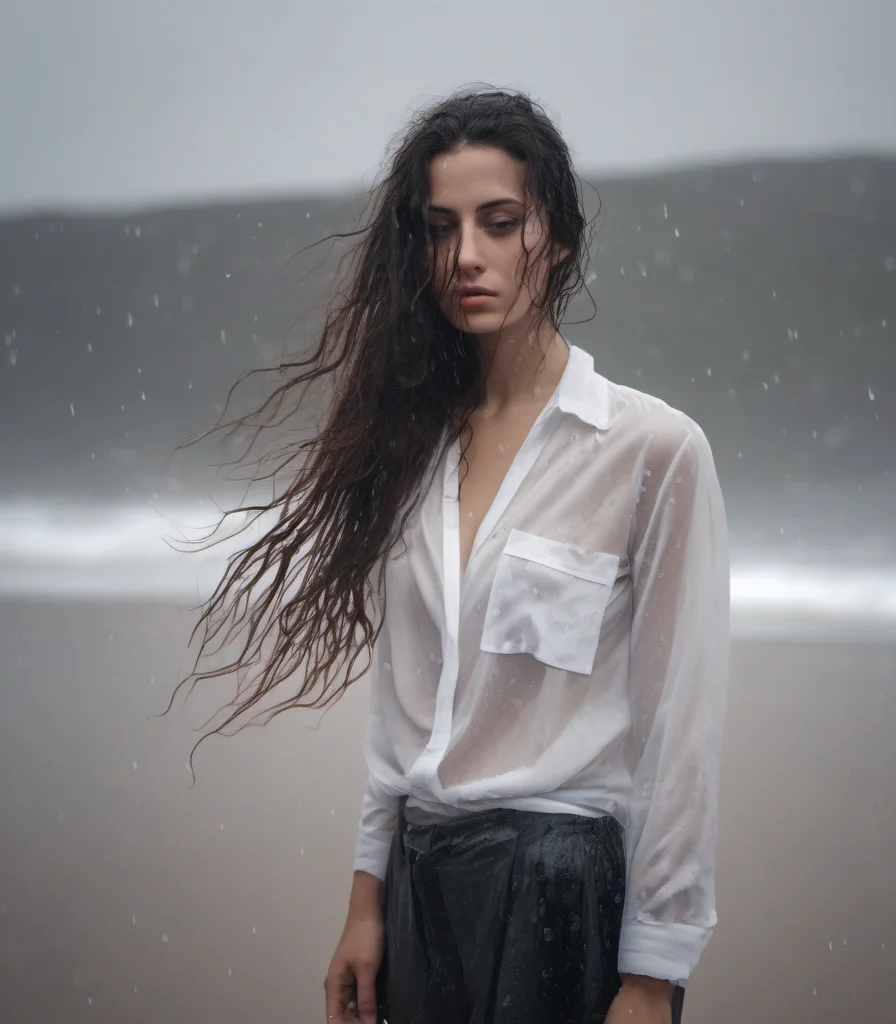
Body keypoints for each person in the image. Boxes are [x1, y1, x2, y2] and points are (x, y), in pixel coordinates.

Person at [168, 85, 728, 1024]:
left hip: (561, 889)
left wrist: (652, 974)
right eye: (439, 228)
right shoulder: (411, 446)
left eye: (499, 222)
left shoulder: (653, 451)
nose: (465, 255)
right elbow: (402, 705)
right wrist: (365, 897)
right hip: (421, 886)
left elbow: (682, 729)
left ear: (554, 235)